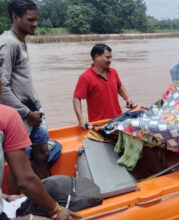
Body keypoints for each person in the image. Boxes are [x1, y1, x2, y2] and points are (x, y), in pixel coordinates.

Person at [0, 71, 81, 220]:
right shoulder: (7, 116)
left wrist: (4, 196)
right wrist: (55, 209)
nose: (3, 82)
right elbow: (25, 180)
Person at [0, 0, 49, 180]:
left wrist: (34, 109)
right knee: (18, 163)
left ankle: (39, 198)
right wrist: (27, 113)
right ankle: (19, 202)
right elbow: (2, 88)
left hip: (33, 109)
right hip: (21, 113)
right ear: (15, 17)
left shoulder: (20, 41)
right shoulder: (8, 44)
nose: (35, 23)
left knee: (42, 153)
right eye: (30, 19)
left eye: (36, 19)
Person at [73, 44, 134, 129]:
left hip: (118, 120)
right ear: (97, 56)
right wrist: (81, 120)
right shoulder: (85, 77)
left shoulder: (113, 72)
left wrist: (127, 98)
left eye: (111, 57)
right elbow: (77, 98)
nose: (110, 60)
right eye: (107, 57)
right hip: (99, 124)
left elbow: (119, 86)